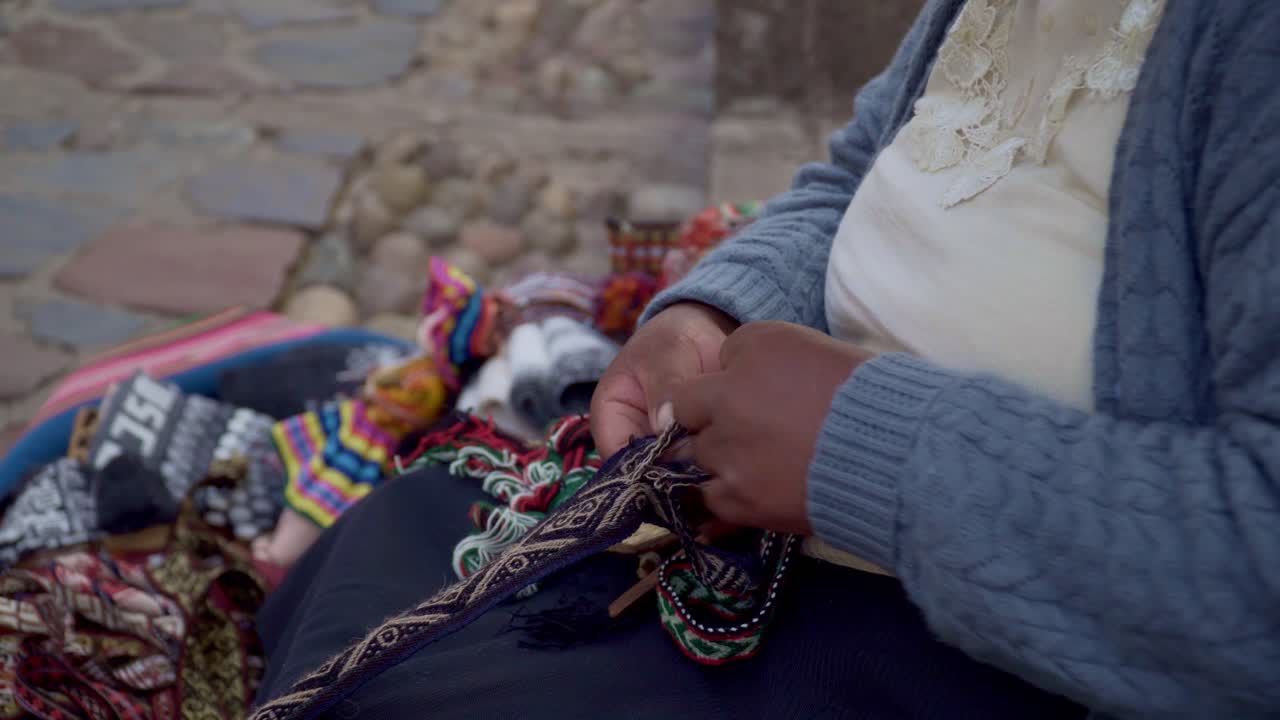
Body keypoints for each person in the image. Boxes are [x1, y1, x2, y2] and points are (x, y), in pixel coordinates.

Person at [255, 0, 1280, 717]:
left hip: (996, 658)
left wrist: (861, 451)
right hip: (774, 533)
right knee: (378, 548)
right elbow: (864, 172)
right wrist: (712, 310)